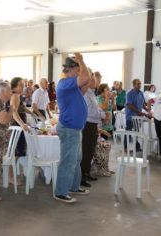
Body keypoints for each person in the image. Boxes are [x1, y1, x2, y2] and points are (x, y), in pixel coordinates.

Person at [55, 53, 91, 203]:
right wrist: (81, 61)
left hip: (75, 128)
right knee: (68, 161)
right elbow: (84, 79)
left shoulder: (72, 86)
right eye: (77, 69)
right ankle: (61, 192)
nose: (78, 72)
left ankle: (74, 187)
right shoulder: (64, 83)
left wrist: (84, 68)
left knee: (76, 159)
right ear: (71, 69)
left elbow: (86, 83)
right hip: (69, 128)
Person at [81, 72, 107, 187]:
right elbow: (89, 111)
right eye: (94, 79)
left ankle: (86, 173)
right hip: (87, 124)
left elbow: (97, 108)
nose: (96, 82)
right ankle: (82, 176)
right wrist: (102, 115)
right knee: (86, 151)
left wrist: (101, 114)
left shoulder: (92, 93)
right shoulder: (86, 93)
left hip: (93, 124)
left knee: (90, 150)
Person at [9, 77, 32, 184]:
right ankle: (10, 177)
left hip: (19, 125)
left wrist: (32, 113)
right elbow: (14, 112)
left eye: (23, 85)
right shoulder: (14, 96)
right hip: (16, 126)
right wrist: (22, 124)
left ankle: (13, 175)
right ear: (14, 86)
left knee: (18, 151)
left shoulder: (18, 96)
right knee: (15, 152)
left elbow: (22, 108)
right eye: (20, 85)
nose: (23, 87)